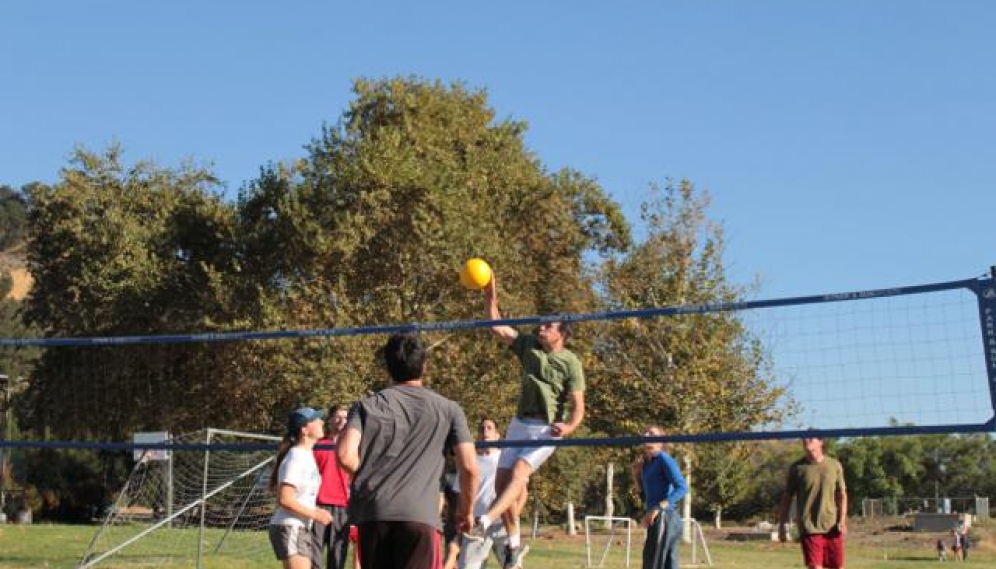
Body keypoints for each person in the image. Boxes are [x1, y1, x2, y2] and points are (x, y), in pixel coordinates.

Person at [466, 274, 585, 569]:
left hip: (547, 428)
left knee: (520, 472)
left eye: (548, 325)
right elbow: (495, 323)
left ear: (562, 334)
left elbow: (578, 406)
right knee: (501, 485)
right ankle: (514, 548)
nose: (541, 327)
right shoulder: (528, 345)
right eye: (541, 324)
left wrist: (568, 427)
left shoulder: (571, 362)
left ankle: (486, 520)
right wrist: (490, 292)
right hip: (520, 423)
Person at [336, 331, 480, 569]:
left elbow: (344, 455)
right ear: (424, 365)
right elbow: (470, 467)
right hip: (420, 515)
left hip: (374, 514)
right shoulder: (449, 409)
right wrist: (466, 511)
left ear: (387, 366)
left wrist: (374, 472)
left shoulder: (366, 406)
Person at [269, 407, 335, 569]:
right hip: (291, 526)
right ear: (304, 430)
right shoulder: (296, 457)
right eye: (315, 420)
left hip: (298, 527)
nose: (321, 422)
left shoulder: (305, 455)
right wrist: (316, 514)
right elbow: (285, 499)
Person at [778, 435, 848, 569]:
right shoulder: (797, 468)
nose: (806, 440)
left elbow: (842, 495)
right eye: (804, 438)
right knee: (815, 566)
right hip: (809, 526)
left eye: (811, 438)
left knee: (837, 566)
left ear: (820, 442)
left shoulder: (834, 465)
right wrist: (782, 524)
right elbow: (787, 497)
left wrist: (842, 520)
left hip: (832, 526)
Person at [455, 418, 510, 569]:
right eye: (482, 429)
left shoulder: (505, 459)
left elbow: (518, 490)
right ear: (477, 435)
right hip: (475, 525)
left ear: (497, 435)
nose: (485, 432)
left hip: (501, 524)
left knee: (512, 565)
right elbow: (460, 495)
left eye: (489, 428)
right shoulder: (469, 462)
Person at [631, 425, 688, 569]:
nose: (646, 434)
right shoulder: (646, 463)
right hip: (658, 518)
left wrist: (658, 508)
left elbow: (682, 487)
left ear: (661, 441)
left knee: (653, 563)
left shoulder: (663, 458)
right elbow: (646, 496)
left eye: (652, 433)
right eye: (646, 432)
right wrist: (636, 476)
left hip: (666, 517)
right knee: (666, 563)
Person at [311, 404, 353, 569]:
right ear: (329, 420)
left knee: (338, 556)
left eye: (346, 418)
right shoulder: (316, 445)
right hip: (318, 504)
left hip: (343, 507)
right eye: (338, 417)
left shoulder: (352, 447)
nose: (342, 421)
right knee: (314, 554)